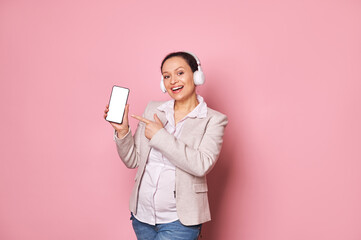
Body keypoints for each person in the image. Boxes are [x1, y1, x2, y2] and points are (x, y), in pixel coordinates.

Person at [103, 51, 228, 240]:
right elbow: (132, 159)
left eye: (180, 73)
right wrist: (123, 131)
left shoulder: (213, 120)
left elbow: (201, 165)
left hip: (179, 221)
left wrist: (160, 136)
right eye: (166, 76)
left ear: (196, 76)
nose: (172, 81)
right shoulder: (154, 109)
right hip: (142, 216)